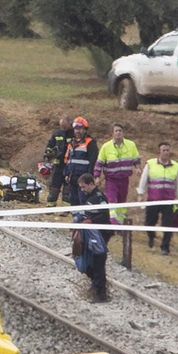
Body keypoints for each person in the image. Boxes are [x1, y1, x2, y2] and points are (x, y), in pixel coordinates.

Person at [136, 142, 178, 255]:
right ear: (159, 151)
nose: (166, 152)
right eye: (163, 150)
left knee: (168, 225)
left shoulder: (175, 166)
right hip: (153, 199)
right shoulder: (150, 164)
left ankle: (165, 246)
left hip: (168, 201)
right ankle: (151, 236)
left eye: (167, 150)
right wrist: (140, 194)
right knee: (149, 222)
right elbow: (143, 179)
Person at [70, 173, 110, 302]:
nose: (82, 190)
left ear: (91, 184)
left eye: (83, 187)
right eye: (80, 187)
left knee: (98, 263)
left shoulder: (99, 198)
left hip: (100, 234)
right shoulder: (88, 197)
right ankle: (95, 284)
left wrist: (91, 221)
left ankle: (101, 294)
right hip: (89, 233)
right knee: (87, 262)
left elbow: (104, 216)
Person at [95, 122, 140, 212]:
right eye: (116, 131)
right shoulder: (106, 147)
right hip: (111, 179)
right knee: (111, 201)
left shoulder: (131, 145)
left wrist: (138, 168)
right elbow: (99, 163)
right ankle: (112, 219)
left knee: (122, 202)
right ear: (112, 133)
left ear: (123, 132)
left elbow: (136, 159)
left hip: (124, 179)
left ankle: (120, 219)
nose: (118, 133)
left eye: (120, 131)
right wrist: (97, 177)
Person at [61, 118, 98, 206]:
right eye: (76, 129)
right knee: (73, 201)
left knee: (83, 201)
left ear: (85, 130)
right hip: (72, 178)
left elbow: (93, 162)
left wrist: (89, 178)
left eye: (80, 128)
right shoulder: (72, 143)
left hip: (84, 179)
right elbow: (67, 160)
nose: (77, 131)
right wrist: (66, 173)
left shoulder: (90, 143)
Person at [42, 117, 74, 206]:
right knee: (54, 185)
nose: (63, 129)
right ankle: (50, 204)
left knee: (67, 187)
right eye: (62, 127)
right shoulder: (57, 133)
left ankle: (66, 208)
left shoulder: (73, 134)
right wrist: (48, 152)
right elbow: (50, 145)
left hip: (69, 165)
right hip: (58, 164)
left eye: (65, 127)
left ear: (69, 124)